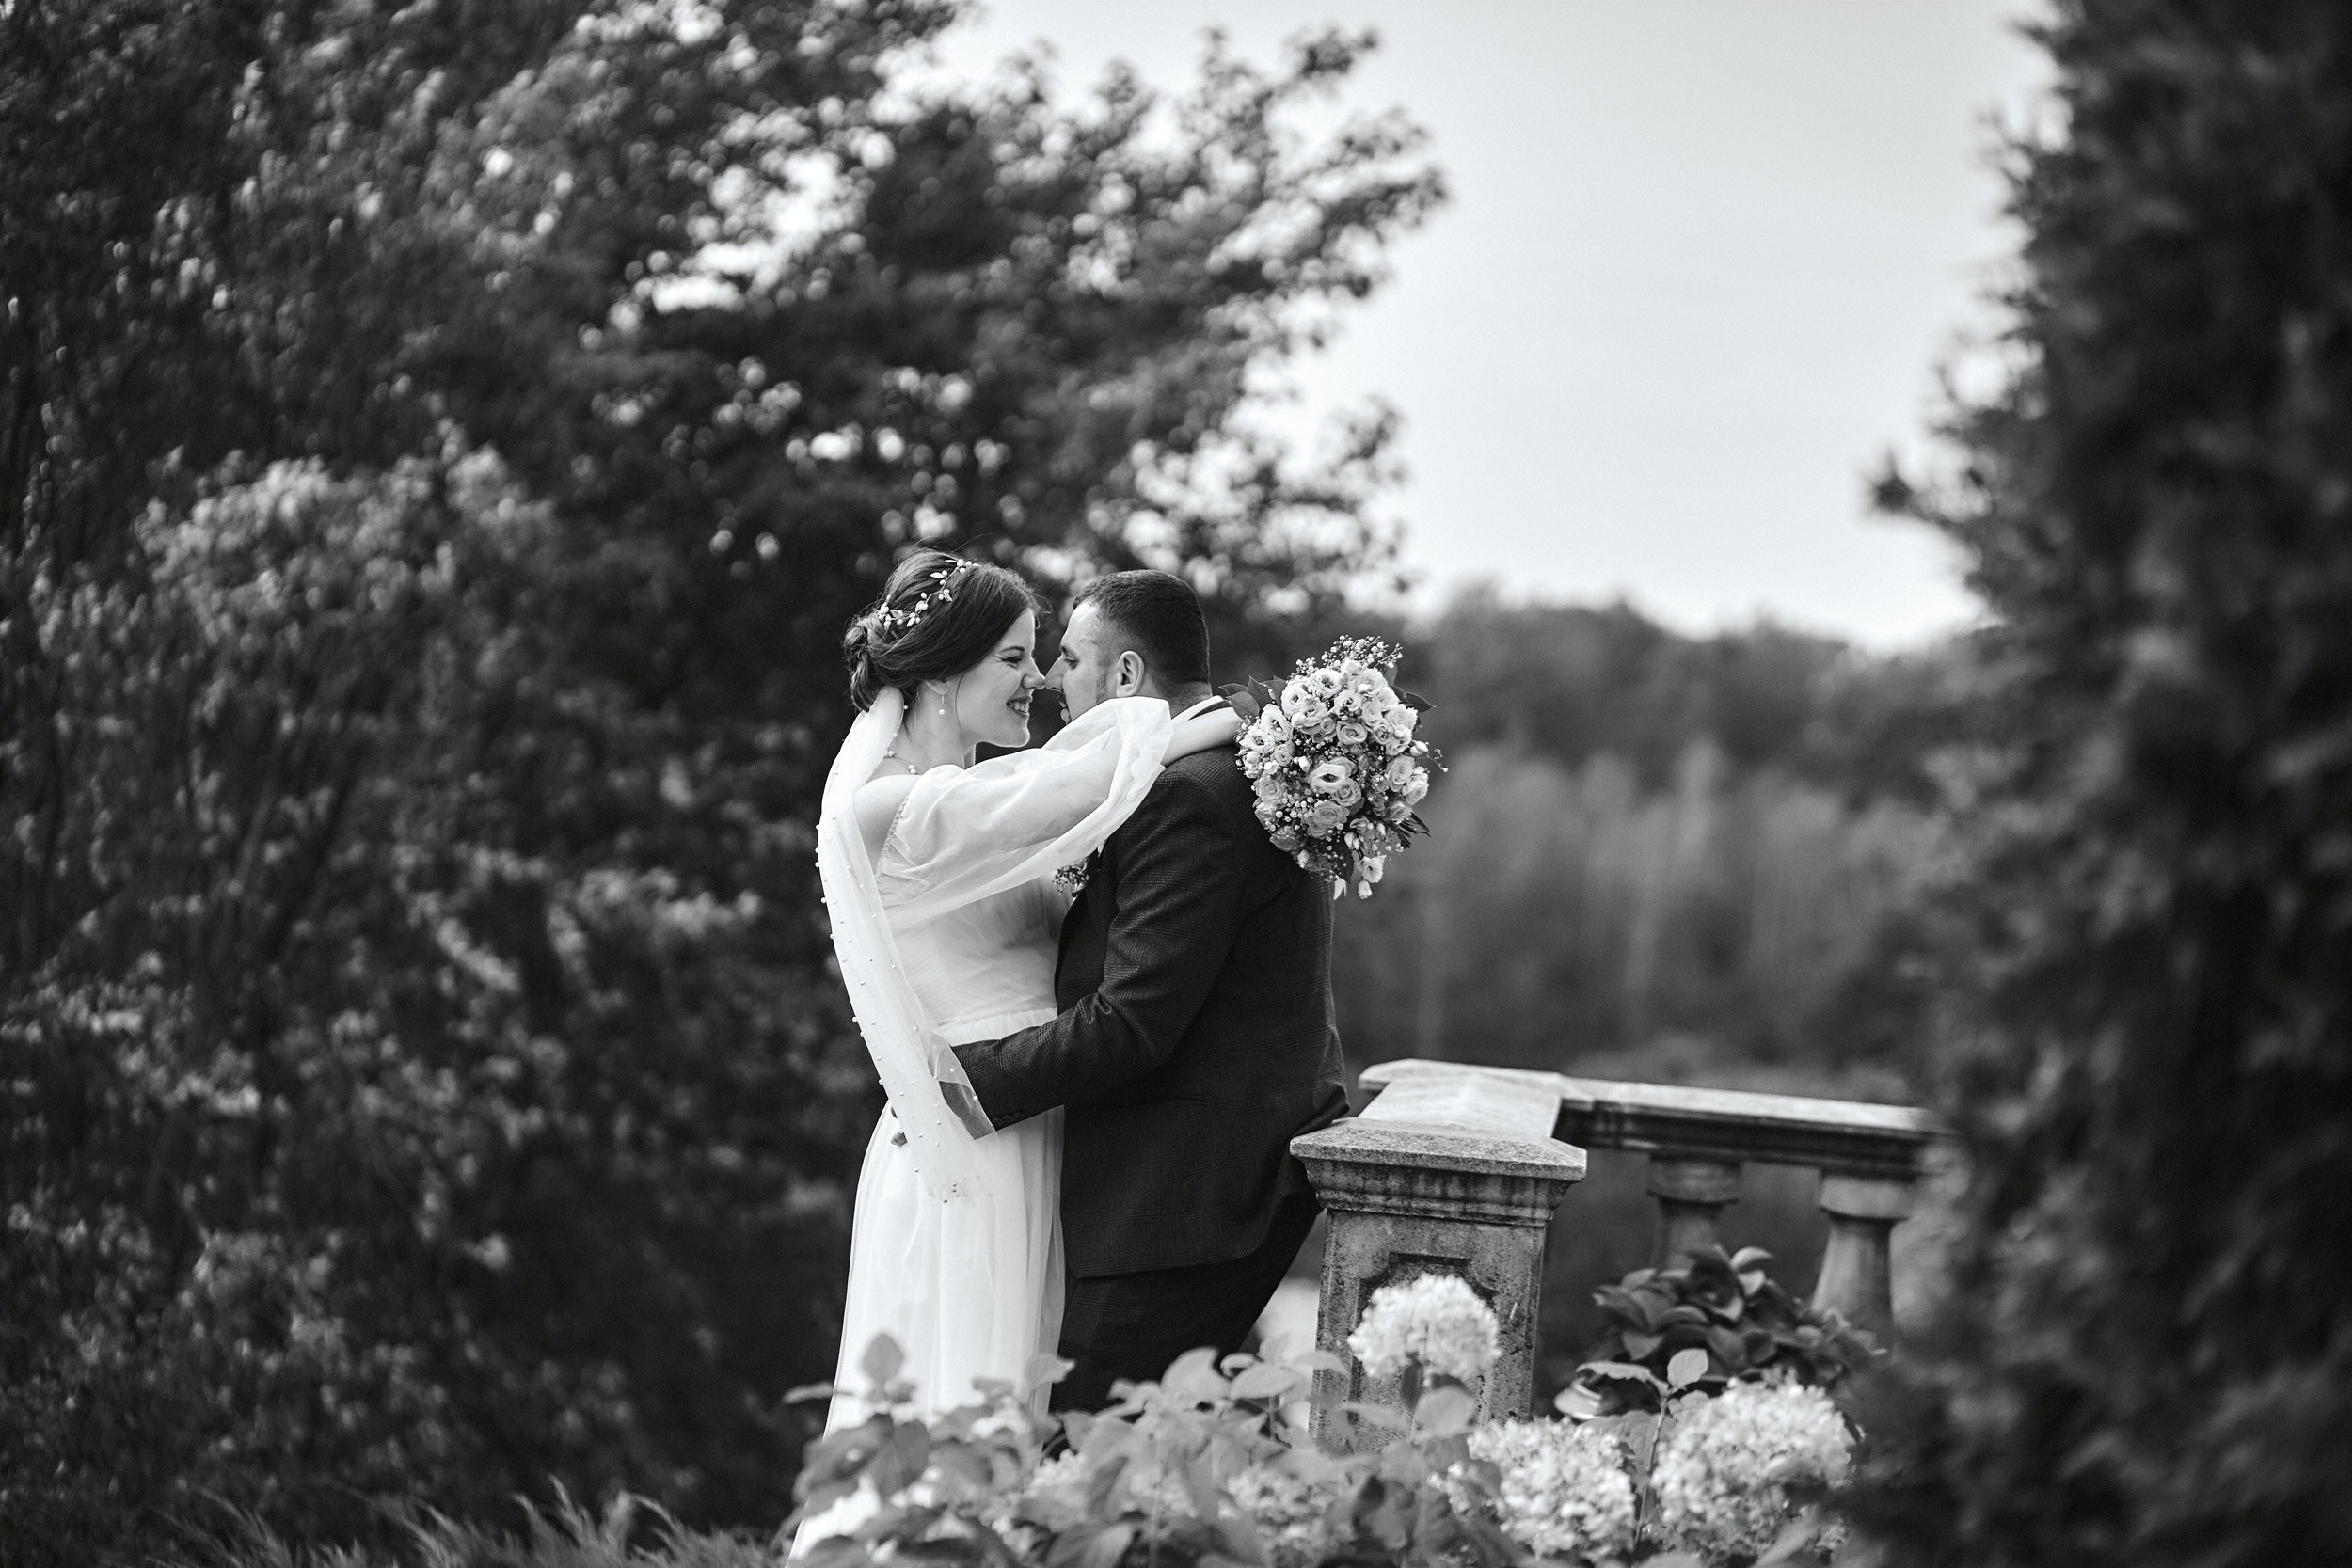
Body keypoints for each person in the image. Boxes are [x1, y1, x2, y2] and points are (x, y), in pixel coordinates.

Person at [810, 549, 1243, 1442]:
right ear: (941, 670)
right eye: (1014, 657)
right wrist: (1238, 728)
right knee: (964, 1422)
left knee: (1019, 1415)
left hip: (1033, 1119)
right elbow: (1082, 779)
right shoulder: (886, 809)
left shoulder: (969, 801)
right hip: (973, 1139)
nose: (1039, 679)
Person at [952, 569, 1352, 1412]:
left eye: (1070, 661)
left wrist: (966, 1080)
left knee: (1088, 1459)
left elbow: (1133, 1020)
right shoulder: (1224, 771)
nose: (1054, 683)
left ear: (1127, 676)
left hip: (1180, 1201)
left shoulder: (1186, 795)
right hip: (1190, 1188)